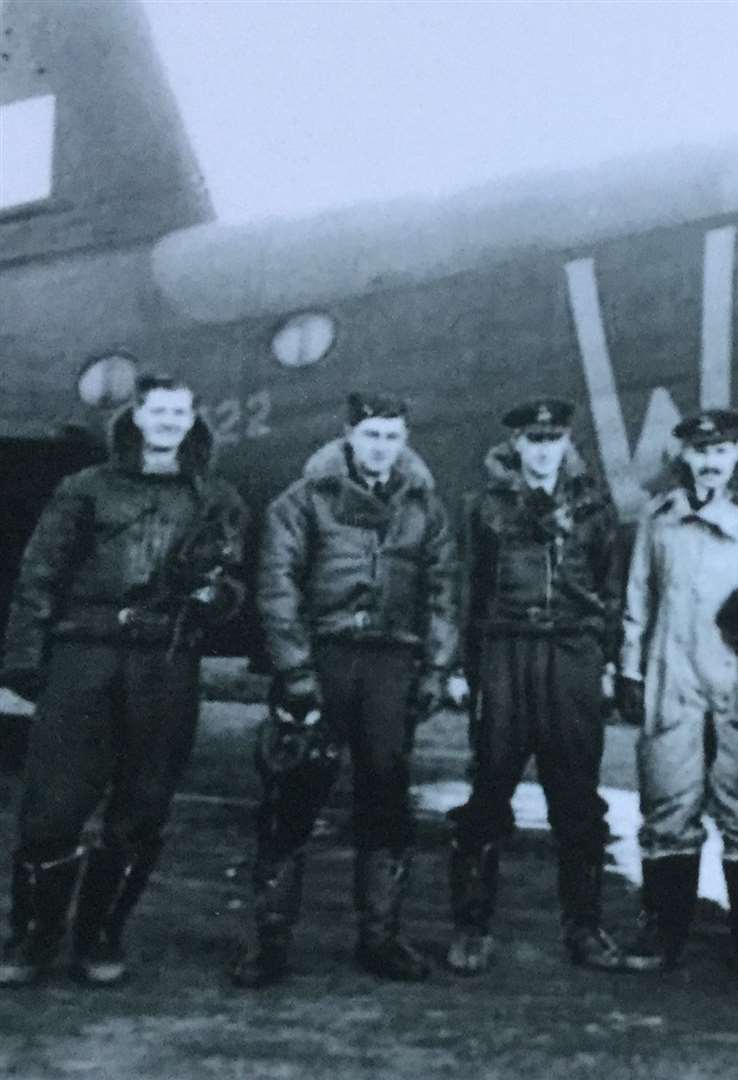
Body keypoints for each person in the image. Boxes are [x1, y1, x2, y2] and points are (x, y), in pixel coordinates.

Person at [0, 374, 248, 987]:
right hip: (85, 654)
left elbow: (234, 589)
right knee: (51, 809)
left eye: (180, 412)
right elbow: (39, 576)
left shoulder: (216, 499)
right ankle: (31, 938)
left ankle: (99, 936)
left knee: (142, 809)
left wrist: (214, 595)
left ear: (193, 421)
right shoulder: (84, 489)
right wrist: (26, 663)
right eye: (157, 410)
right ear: (135, 417)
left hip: (165, 662)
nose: (168, 421)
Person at [230, 392, 460, 987]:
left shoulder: (425, 508)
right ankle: (272, 943)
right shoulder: (301, 502)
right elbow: (276, 587)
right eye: (371, 435)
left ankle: (380, 938)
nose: (381, 447)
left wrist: (435, 668)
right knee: (293, 798)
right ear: (348, 437)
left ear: (404, 440)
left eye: (392, 436)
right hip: (322, 658)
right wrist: (296, 670)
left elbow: (442, 592)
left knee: (386, 798)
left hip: (390, 663)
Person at [616, 408, 738, 977]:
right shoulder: (659, 516)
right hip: (673, 673)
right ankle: (664, 937)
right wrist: (630, 671)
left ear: (737, 454)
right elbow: (638, 597)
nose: (710, 463)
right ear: (685, 458)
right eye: (699, 453)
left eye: (721, 452)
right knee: (668, 803)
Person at [444, 398, 625, 974]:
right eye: (533, 440)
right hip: (505, 650)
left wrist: (608, 657)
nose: (544, 450)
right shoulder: (483, 507)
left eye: (553, 439)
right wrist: (456, 667)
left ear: (566, 443)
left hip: (571, 653)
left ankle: (585, 927)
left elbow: (609, 587)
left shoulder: (594, 504)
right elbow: (465, 589)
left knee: (576, 794)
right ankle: (471, 926)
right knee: (490, 789)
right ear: (517, 445)